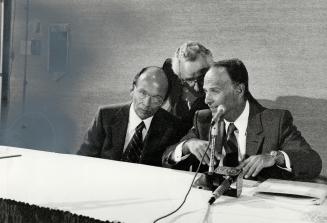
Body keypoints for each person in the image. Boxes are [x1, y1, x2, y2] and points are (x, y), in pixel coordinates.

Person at [162, 59, 322, 180]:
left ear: (239, 89)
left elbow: (312, 161)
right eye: (205, 91)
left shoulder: (275, 121)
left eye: (214, 91)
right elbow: (166, 158)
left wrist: (274, 157)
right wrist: (187, 146)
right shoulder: (204, 119)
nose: (206, 100)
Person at [78, 66, 184, 167]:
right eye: (143, 93)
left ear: (164, 101)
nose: (147, 103)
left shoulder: (173, 127)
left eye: (156, 98)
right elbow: (84, 158)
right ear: (132, 89)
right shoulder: (105, 115)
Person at [162, 41, 214, 132]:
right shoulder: (170, 69)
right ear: (179, 76)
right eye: (190, 80)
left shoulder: (221, 79)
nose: (198, 88)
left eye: (202, 76)